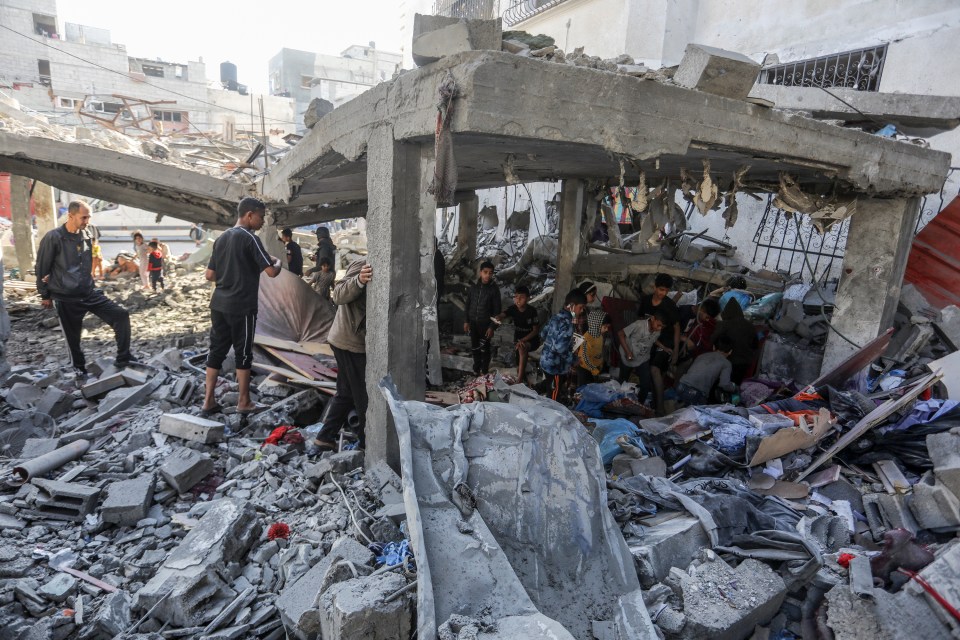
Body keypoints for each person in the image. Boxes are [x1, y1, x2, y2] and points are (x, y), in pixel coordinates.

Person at [202, 197, 282, 417]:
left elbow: (210, 275)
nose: (263, 221)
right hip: (242, 306)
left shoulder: (221, 239)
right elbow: (272, 272)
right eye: (261, 216)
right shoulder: (250, 238)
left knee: (216, 350)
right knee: (243, 353)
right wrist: (278, 261)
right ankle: (244, 402)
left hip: (218, 304)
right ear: (249, 215)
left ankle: (208, 401)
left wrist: (235, 271)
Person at [35, 200, 133, 376]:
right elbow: (42, 267)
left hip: (88, 292)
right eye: (84, 217)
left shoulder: (86, 234)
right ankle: (79, 370)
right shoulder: (54, 237)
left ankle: (124, 358)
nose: (87, 221)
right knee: (73, 339)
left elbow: (89, 261)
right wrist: (44, 294)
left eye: (89, 217)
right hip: (65, 296)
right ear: (70, 216)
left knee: (121, 316)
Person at [309, 259, 372, 454]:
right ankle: (365, 443)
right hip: (349, 341)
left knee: (346, 393)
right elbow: (338, 295)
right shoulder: (362, 265)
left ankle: (324, 438)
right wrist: (359, 281)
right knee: (363, 396)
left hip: (348, 340)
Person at [637, 273, 681, 414]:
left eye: (666, 291)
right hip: (649, 340)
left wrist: (675, 350)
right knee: (647, 372)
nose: (663, 293)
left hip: (665, 341)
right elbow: (640, 321)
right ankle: (646, 404)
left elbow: (677, 328)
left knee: (655, 369)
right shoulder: (645, 301)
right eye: (661, 289)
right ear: (654, 287)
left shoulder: (670, 305)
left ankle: (660, 408)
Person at [539, 288, 587, 402]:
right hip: (556, 366)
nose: (581, 311)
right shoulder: (568, 323)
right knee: (554, 396)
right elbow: (560, 348)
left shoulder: (555, 317)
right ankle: (551, 413)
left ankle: (536, 389)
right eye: (580, 308)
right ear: (571, 306)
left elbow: (543, 334)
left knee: (552, 385)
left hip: (545, 360)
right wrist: (574, 359)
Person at [616, 310, 667, 402]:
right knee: (622, 383)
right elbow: (620, 334)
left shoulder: (657, 331)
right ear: (652, 319)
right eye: (658, 325)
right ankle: (618, 403)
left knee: (645, 385)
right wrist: (628, 352)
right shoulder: (638, 325)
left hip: (643, 359)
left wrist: (664, 347)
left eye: (662, 327)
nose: (659, 328)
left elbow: (653, 339)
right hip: (628, 358)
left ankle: (639, 405)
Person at [494, 285, 540, 384]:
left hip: (531, 340)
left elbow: (535, 331)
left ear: (528, 299)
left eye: (521, 297)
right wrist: (498, 317)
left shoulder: (532, 311)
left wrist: (523, 340)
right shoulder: (513, 309)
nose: (518, 300)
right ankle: (522, 379)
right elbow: (504, 314)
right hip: (518, 340)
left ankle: (519, 381)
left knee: (522, 348)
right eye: (516, 297)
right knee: (519, 361)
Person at [463, 261, 501, 375]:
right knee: (475, 347)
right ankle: (476, 369)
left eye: (490, 273)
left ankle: (484, 371)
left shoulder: (494, 289)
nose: (487, 275)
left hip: (485, 324)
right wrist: (466, 321)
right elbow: (467, 305)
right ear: (480, 273)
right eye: (485, 272)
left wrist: (492, 327)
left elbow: (497, 310)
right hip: (473, 323)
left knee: (485, 348)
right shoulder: (474, 287)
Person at [675, 336, 737, 406]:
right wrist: (734, 388)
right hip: (696, 393)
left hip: (681, 385)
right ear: (730, 351)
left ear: (713, 347)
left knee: (683, 408)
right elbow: (724, 384)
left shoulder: (702, 355)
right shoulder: (726, 363)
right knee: (698, 414)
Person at [711, 298, 759, 384]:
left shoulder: (723, 324)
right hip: (744, 363)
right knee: (735, 385)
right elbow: (755, 345)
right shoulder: (750, 326)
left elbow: (712, 339)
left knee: (720, 384)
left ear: (726, 312)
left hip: (727, 360)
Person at [576, 310, 610, 387]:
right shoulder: (587, 338)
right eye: (605, 327)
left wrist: (600, 366)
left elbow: (599, 353)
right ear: (597, 324)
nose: (607, 329)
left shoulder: (599, 336)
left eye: (608, 327)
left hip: (594, 369)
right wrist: (595, 371)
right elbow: (584, 358)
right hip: (585, 369)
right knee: (584, 390)